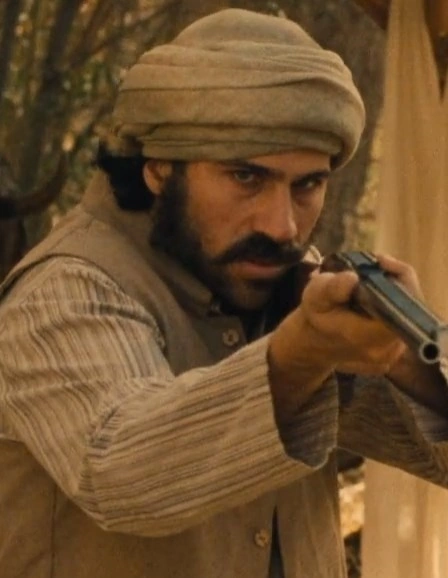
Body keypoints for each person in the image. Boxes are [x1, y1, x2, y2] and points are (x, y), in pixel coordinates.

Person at [0, 8, 447, 578]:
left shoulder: (292, 291)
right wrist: (296, 358)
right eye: (246, 178)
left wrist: (411, 361)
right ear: (159, 169)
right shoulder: (64, 292)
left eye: (308, 184)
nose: (282, 226)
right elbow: (123, 473)